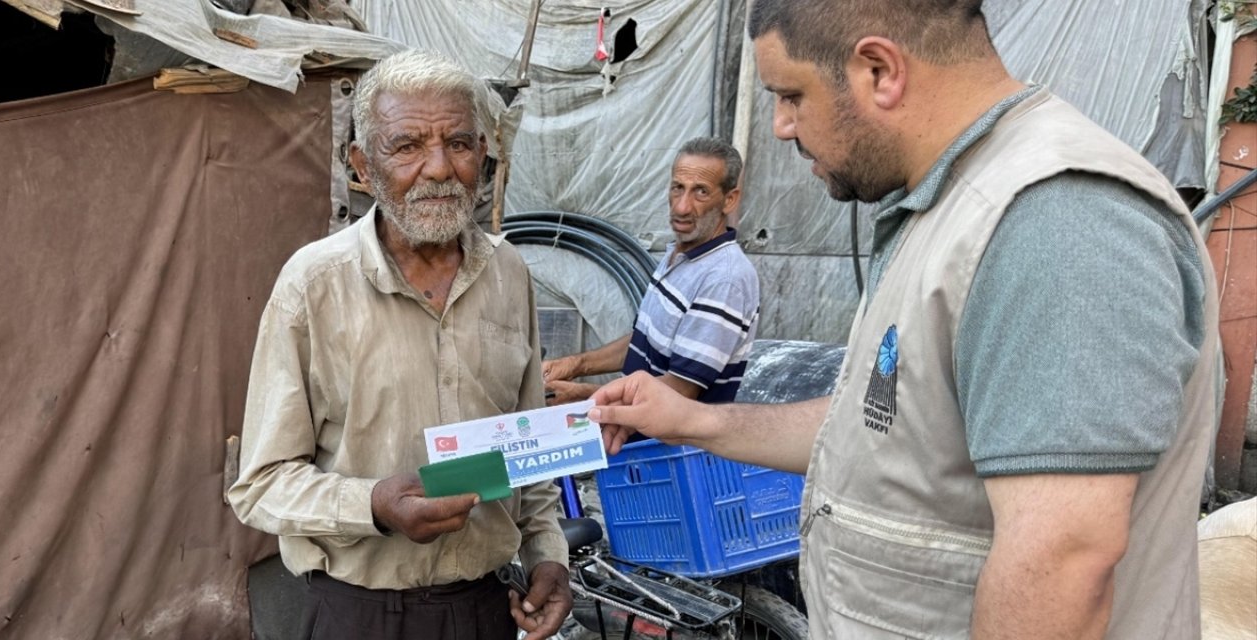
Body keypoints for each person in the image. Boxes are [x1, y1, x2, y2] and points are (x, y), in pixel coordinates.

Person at [587, 1, 1221, 639]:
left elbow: (1064, 562)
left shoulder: (1055, 220)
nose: (781, 126)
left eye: (792, 95)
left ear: (879, 70)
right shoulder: (944, 207)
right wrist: (694, 421)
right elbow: (881, 426)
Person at [227, 49, 570, 640]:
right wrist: (375, 506)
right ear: (362, 165)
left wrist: (548, 556)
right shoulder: (314, 284)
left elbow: (527, 444)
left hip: (485, 610)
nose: (438, 168)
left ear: (483, 155)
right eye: (407, 146)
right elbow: (261, 485)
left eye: (459, 143)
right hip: (356, 614)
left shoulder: (508, 273)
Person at [543, 137, 760, 407]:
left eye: (700, 191)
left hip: (673, 446)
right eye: (677, 188)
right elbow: (644, 343)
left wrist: (583, 395)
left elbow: (678, 393)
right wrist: (574, 365)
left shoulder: (724, 279)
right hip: (637, 430)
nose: (681, 207)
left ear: (729, 200)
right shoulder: (679, 253)